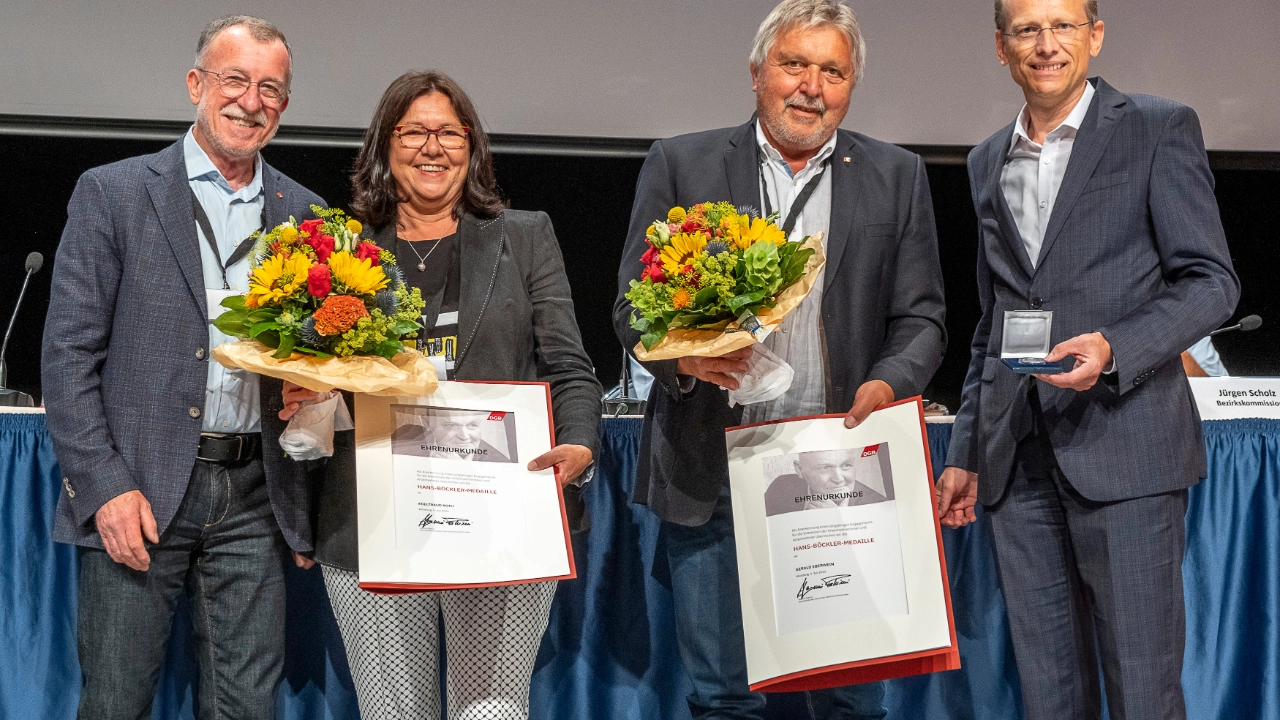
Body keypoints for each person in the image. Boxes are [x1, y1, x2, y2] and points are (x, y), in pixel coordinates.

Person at [612, 0, 946, 716]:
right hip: (712, 468)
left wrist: (888, 382)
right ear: (758, 71)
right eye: (794, 64)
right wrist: (684, 362)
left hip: (841, 473)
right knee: (722, 697)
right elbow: (632, 309)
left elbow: (922, 319)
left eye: (833, 71)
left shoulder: (897, 175)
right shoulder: (683, 163)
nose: (811, 87)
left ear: (851, 84)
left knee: (850, 700)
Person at [935, 1, 1239, 718]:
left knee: (1142, 693)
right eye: (1027, 30)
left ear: (1094, 36)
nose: (1046, 44)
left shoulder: (1158, 128)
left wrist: (1115, 348)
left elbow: (1212, 282)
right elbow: (995, 319)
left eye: (1064, 26)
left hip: (1127, 450)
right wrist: (969, 450)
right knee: (1050, 699)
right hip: (1017, 461)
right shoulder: (986, 159)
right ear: (1002, 47)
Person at [279, 70, 602, 720]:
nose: (433, 147)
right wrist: (305, 395)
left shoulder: (524, 236)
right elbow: (311, 381)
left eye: (449, 133)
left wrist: (579, 444)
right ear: (385, 144)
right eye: (414, 132)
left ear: (471, 146)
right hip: (369, 517)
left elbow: (570, 365)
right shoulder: (338, 250)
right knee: (394, 713)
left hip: (502, 512)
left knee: (492, 712)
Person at [41, 15, 324, 718]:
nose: (250, 102)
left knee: (246, 708)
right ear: (197, 84)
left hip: (257, 495)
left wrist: (314, 404)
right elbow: (68, 357)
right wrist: (105, 488)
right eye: (235, 80)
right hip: (137, 489)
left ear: (285, 105)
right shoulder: (113, 192)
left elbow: (318, 372)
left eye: (270, 89)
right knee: (116, 701)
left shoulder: (307, 215)